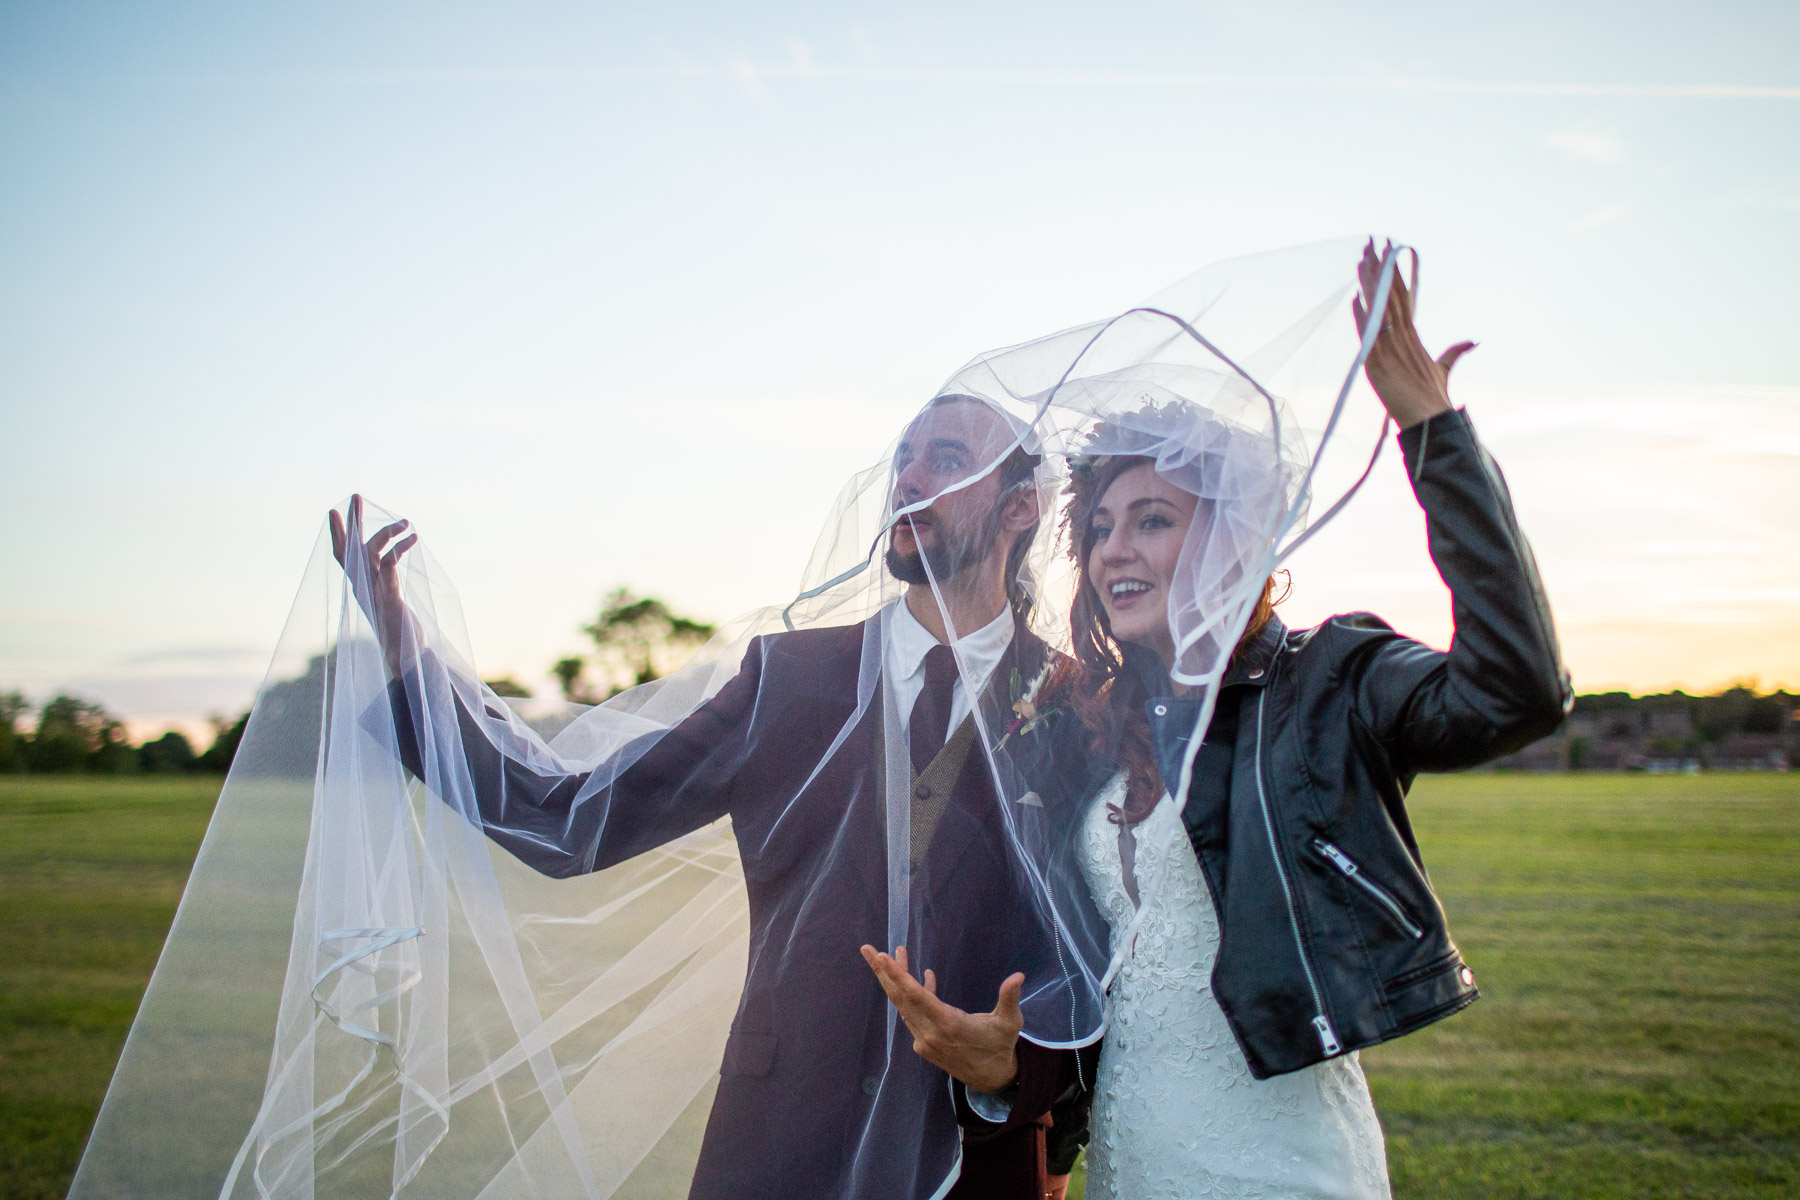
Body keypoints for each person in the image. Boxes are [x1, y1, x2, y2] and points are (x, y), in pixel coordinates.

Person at [329, 393, 1106, 1200]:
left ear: (1022, 507)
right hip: (775, 1142)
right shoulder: (788, 679)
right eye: (903, 456)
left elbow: (1098, 962)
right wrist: (410, 664)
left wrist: (1028, 1087)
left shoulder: (1080, 707)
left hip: (977, 1155)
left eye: (946, 459)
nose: (907, 478)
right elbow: (567, 819)